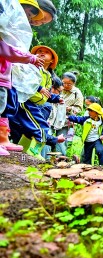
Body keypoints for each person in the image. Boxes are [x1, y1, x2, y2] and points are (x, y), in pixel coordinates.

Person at [0, 0, 45, 155]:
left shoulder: (47, 75)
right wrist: (30, 58)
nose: (30, 20)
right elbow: (9, 50)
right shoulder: (4, 33)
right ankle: (34, 152)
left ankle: (3, 139)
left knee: (4, 109)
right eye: (29, 14)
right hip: (8, 82)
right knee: (37, 129)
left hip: (6, 78)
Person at [56, 72, 84, 155]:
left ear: (74, 83)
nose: (66, 85)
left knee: (61, 140)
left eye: (69, 84)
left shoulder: (77, 93)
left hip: (66, 121)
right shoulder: (58, 88)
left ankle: (60, 158)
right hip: (53, 118)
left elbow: (79, 108)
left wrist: (70, 109)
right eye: (64, 83)